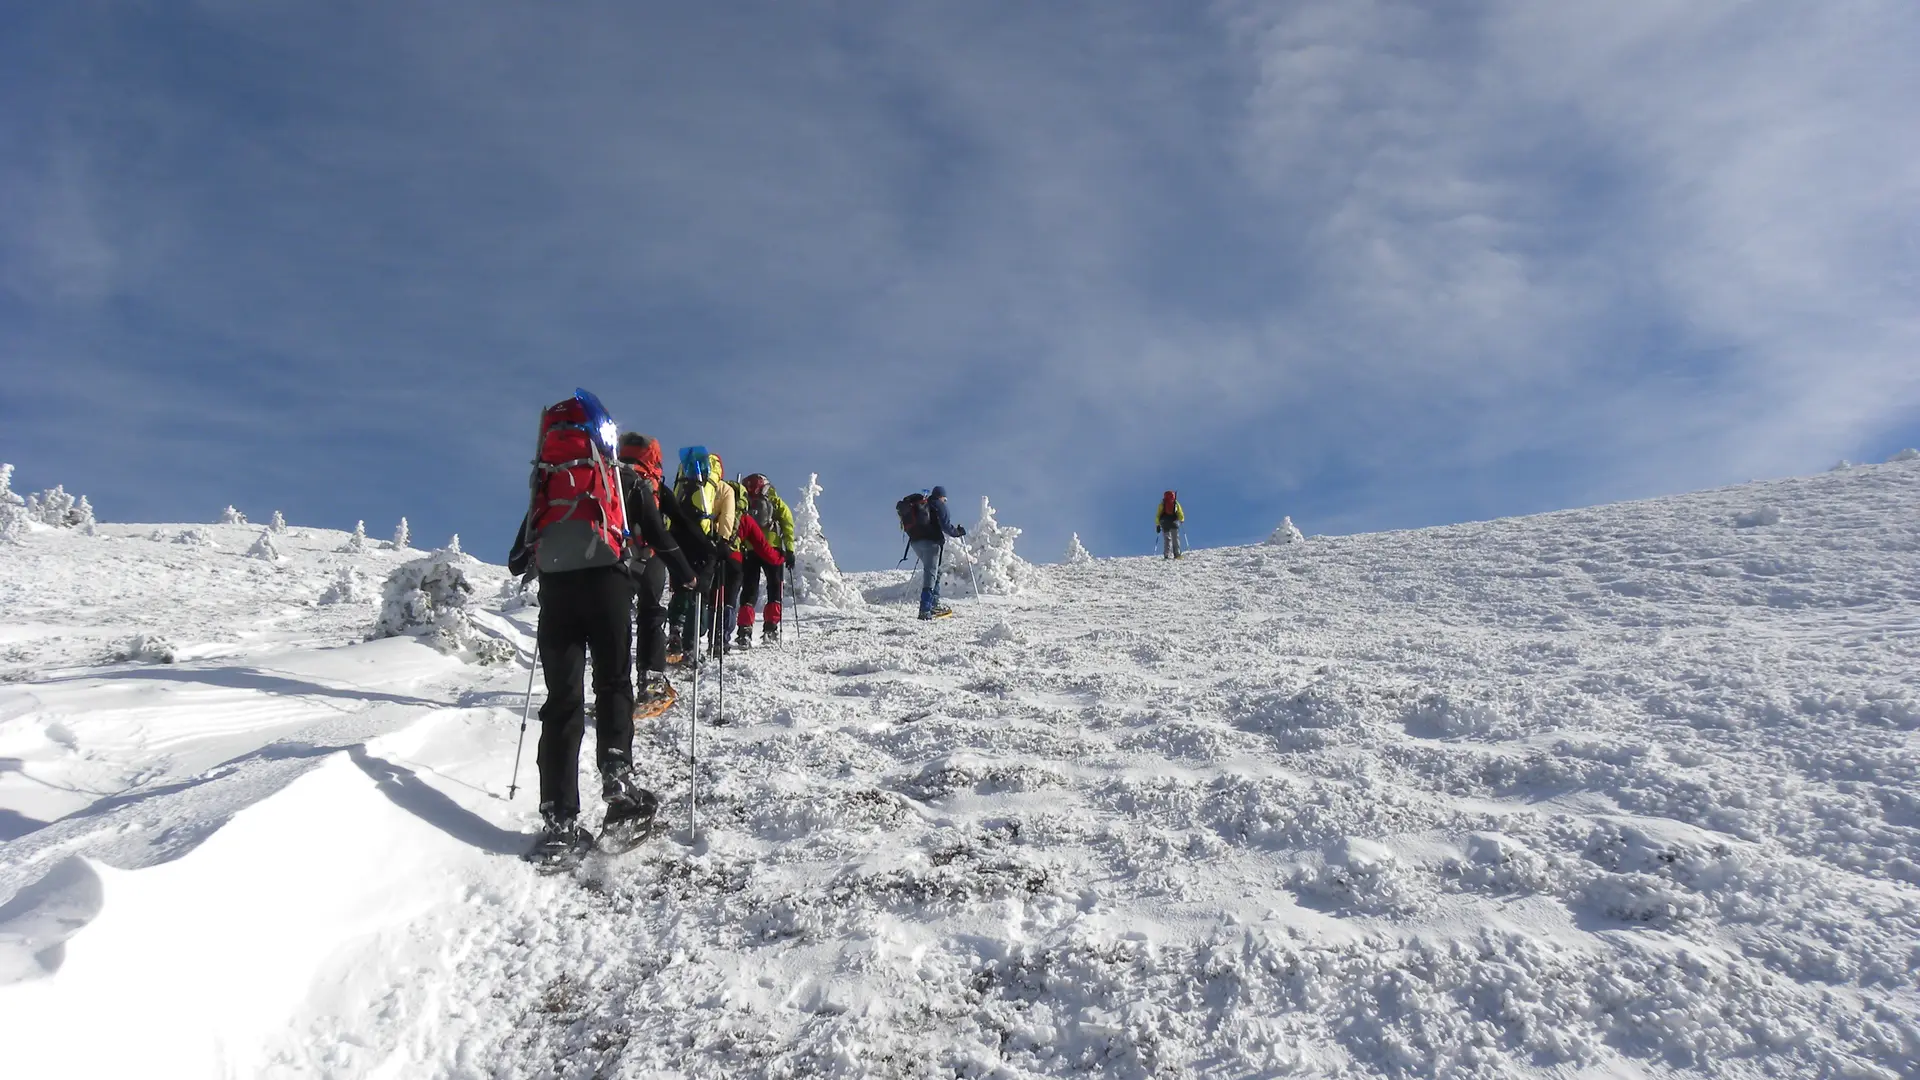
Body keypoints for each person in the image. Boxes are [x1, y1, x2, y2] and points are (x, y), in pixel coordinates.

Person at [507, 391, 654, 865]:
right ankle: (618, 781)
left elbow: (515, 560)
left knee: (562, 701)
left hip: (558, 595)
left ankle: (559, 820)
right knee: (613, 682)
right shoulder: (617, 477)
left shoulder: (546, 480)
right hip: (609, 586)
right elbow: (658, 536)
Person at [616, 434, 698, 716]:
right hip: (648, 556)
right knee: (651, 614)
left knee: (616, 619)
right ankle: (651, 682)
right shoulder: (650, 484)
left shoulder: (609, 477)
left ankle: (612, 690)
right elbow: (667, 528)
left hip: (612, 559)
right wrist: (687, 571)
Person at [734, 474, 796, 647]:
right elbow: (787, 525)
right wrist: (790, 549)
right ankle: (771, 628)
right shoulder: (775, 502)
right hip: (772, 550)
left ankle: (744, 630)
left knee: (749, 589)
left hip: (750, 549)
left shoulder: (745, 501)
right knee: (775, 587)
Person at [909, 485, 966, 620]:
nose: (944, 502)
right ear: (942, 497)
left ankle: (933, 605)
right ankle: (925, 609)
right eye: (944, 499)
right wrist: (958, 532)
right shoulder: (938, 504)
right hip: (931, 543)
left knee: (936, 572)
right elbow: (946, 526)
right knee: (931, 572)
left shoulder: (923, 504)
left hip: (915, 542)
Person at [1156, 491, 1185, 559]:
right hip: (1173, 522)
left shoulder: (1162, 503)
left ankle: (1167, 554)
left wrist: (1158, 525)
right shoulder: (1175, 503)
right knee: (1175, 538)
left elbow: (1158, 515)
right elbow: (1180, 513)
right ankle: (1177, 554)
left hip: (1164, 523)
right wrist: (1182, 519)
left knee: (1167, 539)